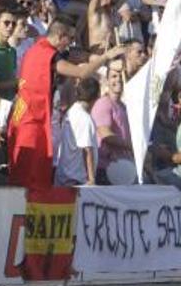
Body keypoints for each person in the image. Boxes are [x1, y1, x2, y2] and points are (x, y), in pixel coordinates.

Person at [7, 15, 125, 190]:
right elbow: (82, 73)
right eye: (69, 38)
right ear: (60, 35)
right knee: (30, 180)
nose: (70, 43)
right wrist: (106, 56)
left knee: (24, 177)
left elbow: (72, 57)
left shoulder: (35, 48)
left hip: (23, 116)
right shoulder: (47, 54)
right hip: (31, 121)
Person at [55, 77, 99, 186]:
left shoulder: (71, 111)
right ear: (97, 96)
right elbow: (87, 150)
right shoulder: (85, 118)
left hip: (64, 177)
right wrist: (91, 179)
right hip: (76, 181)